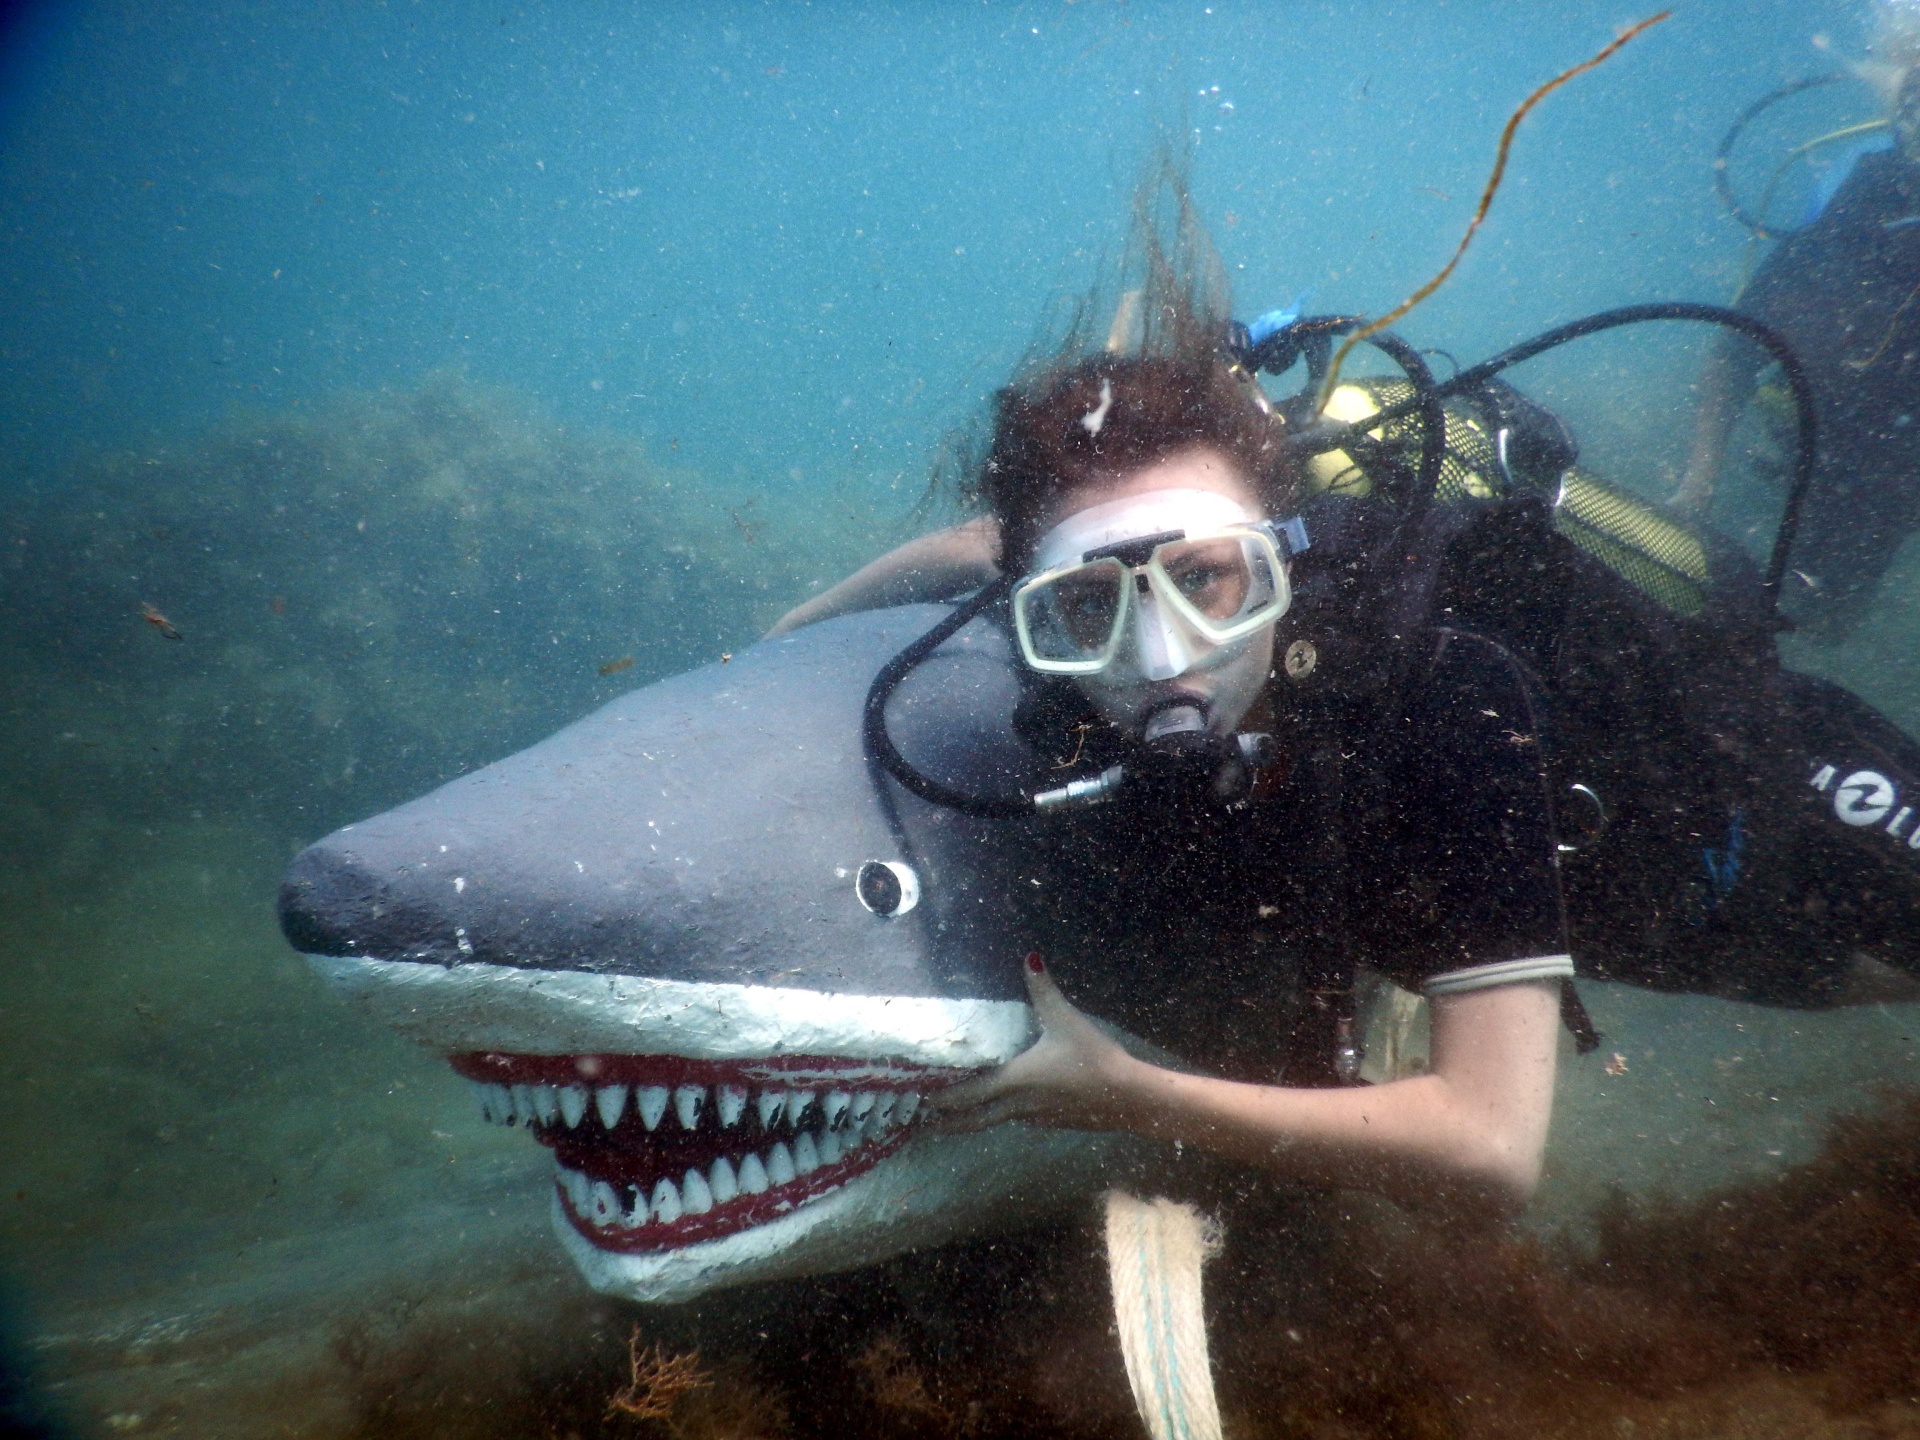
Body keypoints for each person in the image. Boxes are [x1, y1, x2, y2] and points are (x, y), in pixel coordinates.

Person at [774, 187, 1920, 1222]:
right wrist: (793, 630)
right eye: (1084, 607)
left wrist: (1121, 1094)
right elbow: (1011, 539)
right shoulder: (1101, 609)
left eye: (1212, 579)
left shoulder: (1448, 695)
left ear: (1285, 556)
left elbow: (1489, 1145)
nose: (1165, 654)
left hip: (1767, 839)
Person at [1676, 4, 1920, 636]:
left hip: (1894, 462)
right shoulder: (1866, 200)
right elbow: (1737, 348)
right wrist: (1697, 487)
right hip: (1837, 434)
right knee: (1802, 609)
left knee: (1832, 615)